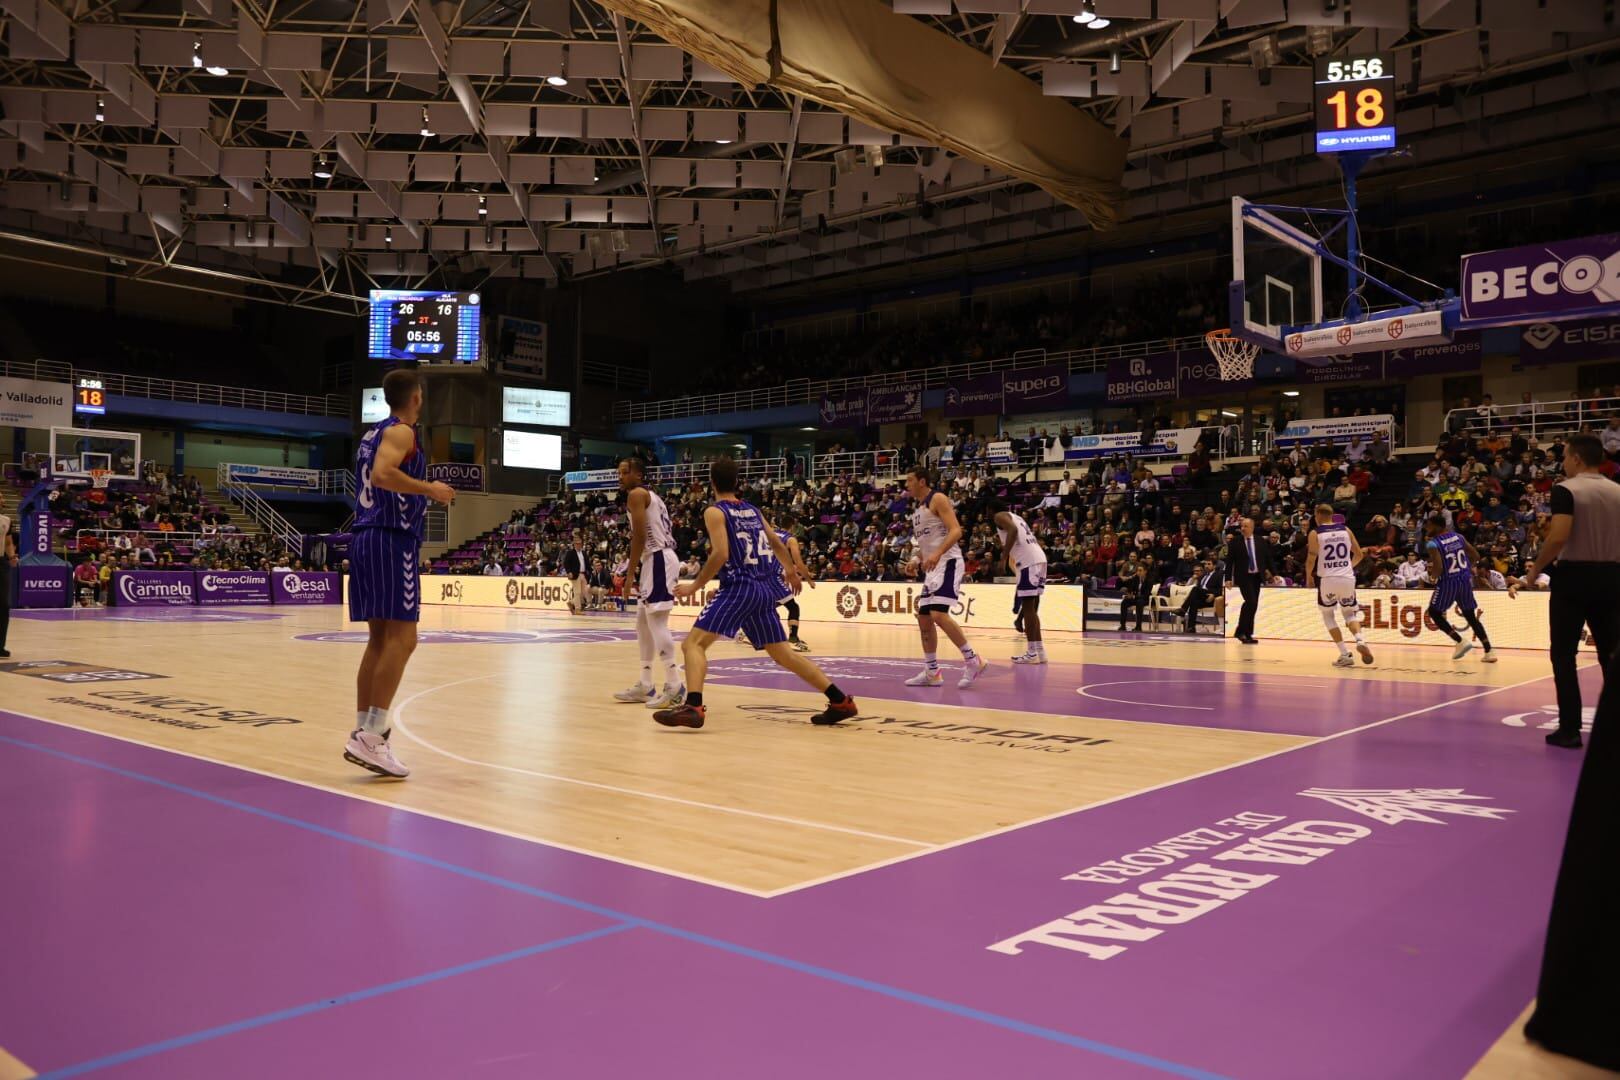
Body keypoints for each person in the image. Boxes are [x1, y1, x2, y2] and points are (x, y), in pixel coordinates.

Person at [652, 457, 857, 729]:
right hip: (763, 589)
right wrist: (790, 570)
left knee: (693, 645)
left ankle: (694, 705)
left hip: (740, 586)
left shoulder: (715, 511)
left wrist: (694, 586)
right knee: (784, 654)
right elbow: (776, 542)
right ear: (737, 482)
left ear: (711, 482)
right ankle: (840, 700)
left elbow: (721, 553)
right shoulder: (753, 510)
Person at [344, 368, 456, 779]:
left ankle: (365, 731)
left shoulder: (371, 434)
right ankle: (372, 737)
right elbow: (382, 475)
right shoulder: (402, 433)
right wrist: (431, 489)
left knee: (379, 641)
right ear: (416, 397)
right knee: (405, 640)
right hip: (391, 539)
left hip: (365, 537)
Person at [1524, 434, 1620, 748]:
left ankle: (1570, 729)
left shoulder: (1566, 489)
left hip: (1574, 578)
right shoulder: (1617, 491)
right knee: (1611, 654)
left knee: (1564, 655)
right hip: (1612, 577)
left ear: (1576, 458)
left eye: (1564, 456)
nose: (1562, 462)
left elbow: (1558, 537)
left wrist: (1536, 569)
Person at [901, 467, 986, 688]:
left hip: (948, 562)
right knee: (924, 620)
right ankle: (932, 672)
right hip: (932, 569)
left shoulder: (937, 498)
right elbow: (926, 546)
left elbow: (956, 530)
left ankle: (973, 659)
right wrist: (915, 560)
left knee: (938, 614)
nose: (906, 484)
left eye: (910, 480)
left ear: (922, 481)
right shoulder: (918, 510)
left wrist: (938, 554)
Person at [615, 456, 683, 709]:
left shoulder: (637, 494)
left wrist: (630, 573)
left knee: (656, 623)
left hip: (657, 558)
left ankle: (675, 685)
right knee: (642, 622)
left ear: (639, 475)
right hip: (655, 559)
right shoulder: (650, 496)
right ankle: (645, 683)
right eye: (618, 472)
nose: (620, 476)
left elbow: (640, 536)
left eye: (624, 472)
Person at [1422, 513, 1498, 664]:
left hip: (1448, 581)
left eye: (1428, 525)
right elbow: (1476, 555)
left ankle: (1459, 641)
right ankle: (1489, 650)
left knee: (1434, 612)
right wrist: (1466, 567)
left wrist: (1432, 577)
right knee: (1470, 615)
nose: (1426, 528)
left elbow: (1438, 566)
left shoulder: (1433, 544)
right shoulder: (1459, 537)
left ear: (1436, 526)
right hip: (1464, 580)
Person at [1305, 503, 1373, 667]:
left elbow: (1311, 558)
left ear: (1318, 515)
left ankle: (1344, 654)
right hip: (1347, 578)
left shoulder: (1316, 533)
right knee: (1350, 613)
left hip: (1328, 579)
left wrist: (1308, 576)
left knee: (1328, 615)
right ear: (1332, 515)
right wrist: (1348, 566)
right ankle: (1360, 640)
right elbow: (1359, 554)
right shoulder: (1345, 530)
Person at [991, 500, 1048, 664]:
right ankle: (1040, 652)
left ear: (989, 510)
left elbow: (1013, 531)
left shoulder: (999, 516)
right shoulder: (1016, 517)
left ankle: (1031, 653)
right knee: (1032, 608)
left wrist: (1003, 559)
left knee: (1029, 609)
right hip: (1039, 559)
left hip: (1028, 561)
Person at [772, 511, 814, 652]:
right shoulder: (790, 539)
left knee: (770, 604)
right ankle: (793, 638)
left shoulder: (771, 533)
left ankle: (746, 630)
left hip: (760, 572)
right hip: (773, 575)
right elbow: (799, 562)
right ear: (793, 526)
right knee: (793, 607)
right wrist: (808, 579)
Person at [1229, 517, 1271, 645]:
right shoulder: (1235, 542)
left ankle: (1247, 633)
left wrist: (1273, 573)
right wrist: (1227, 579)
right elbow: (1230, 561)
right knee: (1250, 602)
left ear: (1252, 527)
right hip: (1243, 577)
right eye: (1241, 526)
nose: (1242, 528)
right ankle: (1240, 631)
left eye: (1245, 526)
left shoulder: (1260, 541)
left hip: (1256, 576)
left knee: (1253, 605)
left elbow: (1267, 558)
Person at [1177, 557, 1225, 634]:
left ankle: (1183, 609)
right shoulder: (1202, 576)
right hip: (1202, 597)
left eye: (1209, 564)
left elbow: (1221, 588)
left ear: (1214, 566)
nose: (1206, 566)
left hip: (1211, 598)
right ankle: (1191, 627)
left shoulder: (1219, 574)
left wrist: (1213, 594)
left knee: (1195, 589)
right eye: (1205, 564)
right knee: (1193, 602)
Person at [0, 494, 13, 658]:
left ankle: (0, 646)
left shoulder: (6, 520)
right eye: (0, 497)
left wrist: (12, 557)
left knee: (3, 605)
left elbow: (9, 543)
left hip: (1, 563)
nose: (3, 500)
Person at [562, 534, 588, 614]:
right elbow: (566, 563)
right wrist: (569, 572)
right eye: (577, 543)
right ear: (574, 544)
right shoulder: (570, 553)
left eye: (580, 543)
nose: (578, 545)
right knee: (577, 592)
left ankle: (571, 602)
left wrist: (589, 571)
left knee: (584, 592)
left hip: (583, 574)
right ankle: (577, 609)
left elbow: (587, 563)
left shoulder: (584, 553)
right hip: (575, 574)